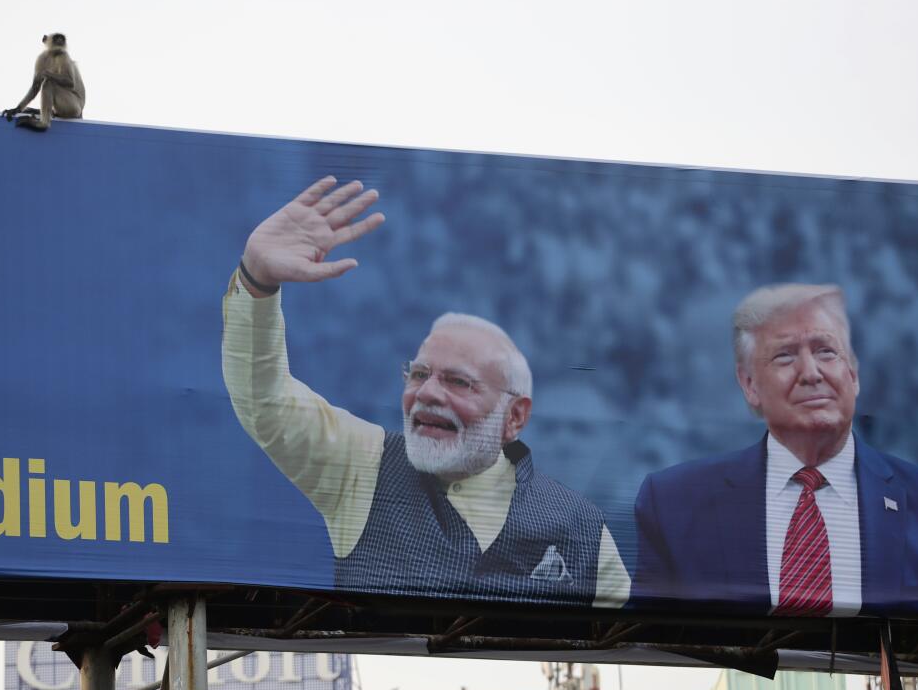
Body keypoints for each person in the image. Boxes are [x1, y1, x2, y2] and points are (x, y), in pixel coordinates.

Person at [222, 176, 629, 607]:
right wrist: (256, 279)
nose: (428, 393)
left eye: (458, 381)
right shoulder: (363, 465)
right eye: (418, 375)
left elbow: (624, 644)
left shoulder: (583, 529)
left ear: (515, 416)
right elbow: (265, 401)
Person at [631, 284, 918, 619]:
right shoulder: (674, 507)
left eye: (826, 351)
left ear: (853, 375)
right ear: (749, 385)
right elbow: (652, 649)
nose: (811, 373)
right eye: (785, 357)